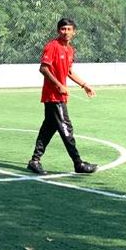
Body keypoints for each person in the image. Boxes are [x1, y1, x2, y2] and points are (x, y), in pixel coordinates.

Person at [27, 18, 98, 175]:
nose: (66, 32)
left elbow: (69, 71)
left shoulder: (70, 50)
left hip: (60, 97)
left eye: (69, 29)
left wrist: (84, 85)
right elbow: (43, 68)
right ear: (58, 31)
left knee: (49, 128)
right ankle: (78, 163)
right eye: (63, 29)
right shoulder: (52, 47)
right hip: (53, 96)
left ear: (74, 32)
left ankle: (34, 161)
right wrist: (59, 85)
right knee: (66, 129)